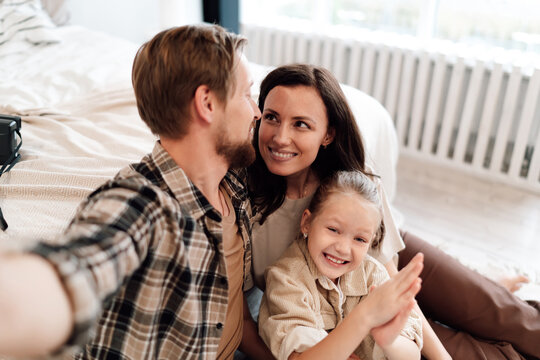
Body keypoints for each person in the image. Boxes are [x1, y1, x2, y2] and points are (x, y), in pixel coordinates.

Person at [0, 24, 274, 359]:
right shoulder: (141, 205)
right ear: (207, 103)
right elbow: (80, 265)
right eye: (247, 94)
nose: (257, 112)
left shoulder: (232, 184)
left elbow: (236, 308)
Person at [247, 64, 540, 359]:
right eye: (272, 117)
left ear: (327, 134)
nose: (280, 137)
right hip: (332, 308)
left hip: (378, 261)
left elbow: (388, 274)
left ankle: (489, 286)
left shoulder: (353, 177)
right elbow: (241, 316)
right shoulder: (242, 203)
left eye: (301, 124)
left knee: (503, 314)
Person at [259, 170, 424, 360]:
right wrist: (364, 317)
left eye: (360, 239)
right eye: (333, 229)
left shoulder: (373, 274)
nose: (343, 249)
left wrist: (390, 341)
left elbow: (412, 354)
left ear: (371, 242)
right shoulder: (285, 279)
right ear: (307, 222)